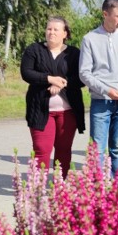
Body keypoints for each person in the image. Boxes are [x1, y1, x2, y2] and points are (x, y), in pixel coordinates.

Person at [79, 0, 118, 176]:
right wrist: (106, 90)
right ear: (105, 14)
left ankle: (117, 188)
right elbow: (84, 73)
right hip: (101, 102)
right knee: (97, 149)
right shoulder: (89, 39)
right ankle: (98, 188)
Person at [20, 16, 84, 178]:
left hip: (68, 112)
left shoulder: (74, 53)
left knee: (63, 150)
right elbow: (26, 73)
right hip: (41, 110)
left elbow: (81, 78)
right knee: (42, 148)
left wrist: (62, 83)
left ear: (65, 33)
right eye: (49, 29)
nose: (51, 32)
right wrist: (49, 79)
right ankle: (38, 184)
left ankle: (59, 185)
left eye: (56, 29)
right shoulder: (34, 50)